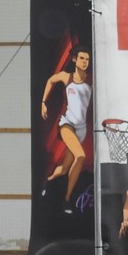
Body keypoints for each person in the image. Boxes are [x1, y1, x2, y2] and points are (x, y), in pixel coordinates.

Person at [40, 49, 91, 207]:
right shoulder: (66, 77)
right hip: (66, 124)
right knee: (80, 156)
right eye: (82, 58)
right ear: (75, 59)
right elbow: (50, 80)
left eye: (87, 59)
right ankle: (67, 200)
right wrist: (43, 102)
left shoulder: (92, 80)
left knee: (63, 169)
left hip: (81, 129)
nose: (85, 62)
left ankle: (47, 181)